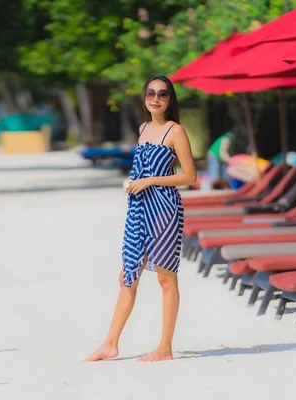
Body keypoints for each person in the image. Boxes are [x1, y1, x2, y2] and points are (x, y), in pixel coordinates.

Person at [84, 75, 197, 362]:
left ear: (170, 100)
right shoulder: (143, 128)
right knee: (127, 276)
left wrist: (149, 182)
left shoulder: (175, 131)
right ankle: (110, 344)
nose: (155, 98)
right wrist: (133, 182)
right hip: (138, 208)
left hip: (164, 208)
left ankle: (165, 348)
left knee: (166, 278)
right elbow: (141, 169)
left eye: (162, 94)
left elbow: (189, 175)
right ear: (144, 98)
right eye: (150, 93)